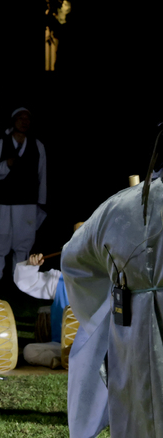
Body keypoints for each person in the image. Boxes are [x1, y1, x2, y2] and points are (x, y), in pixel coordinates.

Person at [61, 179, 163, 437]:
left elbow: (74, 263)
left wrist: (105, 308)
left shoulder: (117, 207)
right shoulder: (121, 204)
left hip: (133, 336)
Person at [0, 108, 47, 286]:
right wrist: (7, 164)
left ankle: (19, 278)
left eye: (28, 119)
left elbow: (42, 175)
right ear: (13, 121)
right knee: (0, 238)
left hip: (27, 202)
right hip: (5, 201)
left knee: (24, 241)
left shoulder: (37, 145)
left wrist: (41, 202)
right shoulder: (1, 144)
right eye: (21, 118)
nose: (24, 121)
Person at [14, 253, 68, 368]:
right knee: (30, 351)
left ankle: (66, 361)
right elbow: (28, 283)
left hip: (93, 345)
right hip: (63, 346)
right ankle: (63, 359)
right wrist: (30, 266)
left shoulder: (104, 283)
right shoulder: (59, 280)